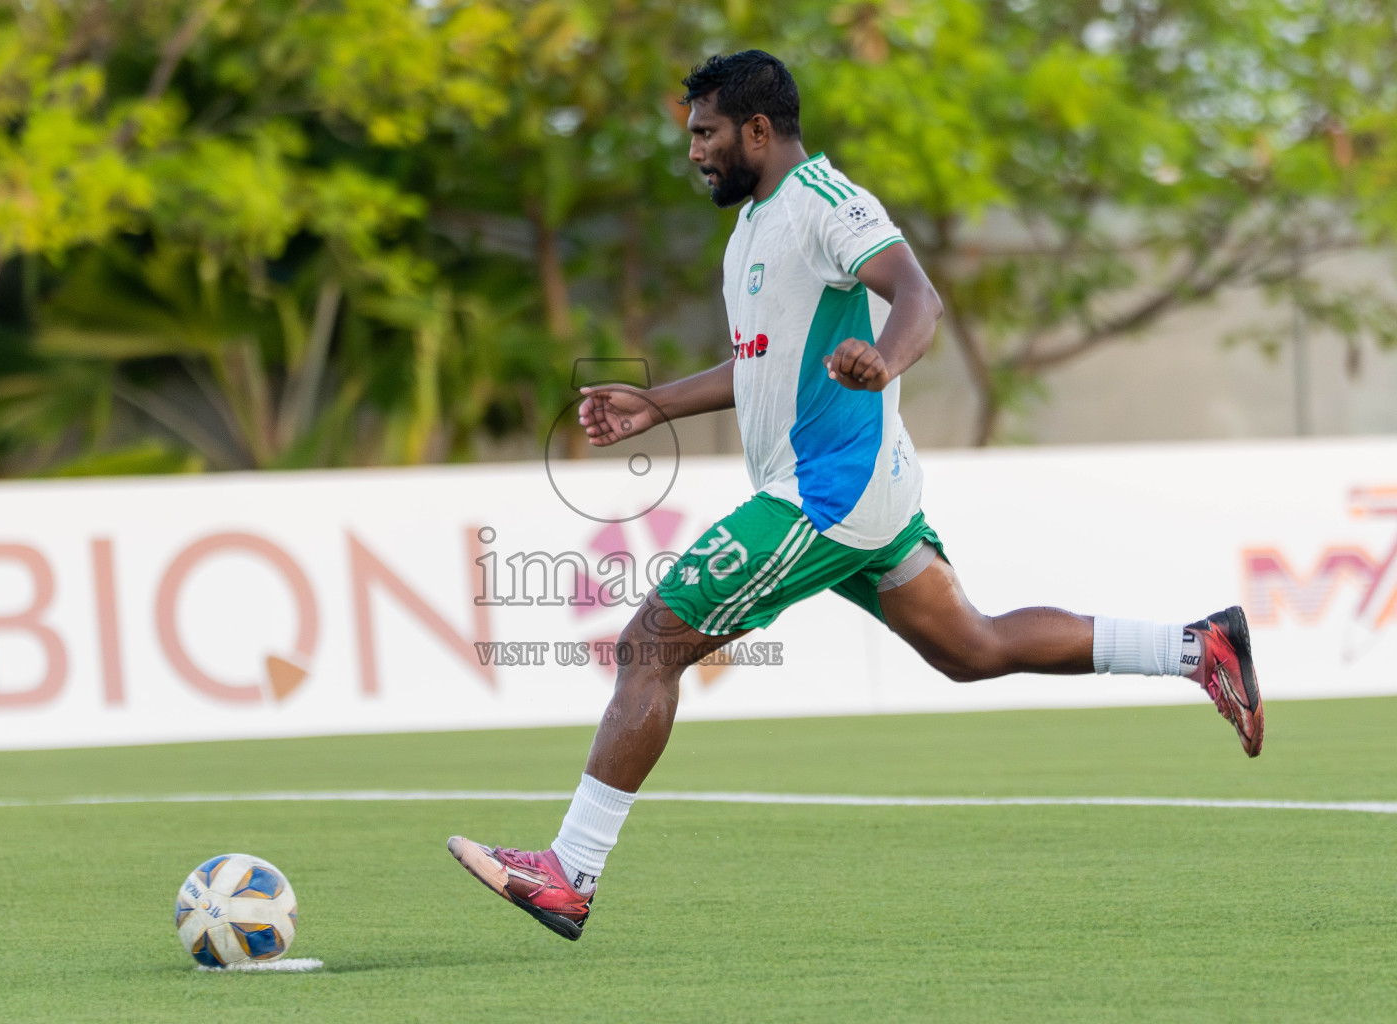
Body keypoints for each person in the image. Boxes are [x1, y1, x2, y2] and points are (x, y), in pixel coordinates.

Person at [447, 50, 1263, 941]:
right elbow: (760, 363)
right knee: (972, 646)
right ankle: (1197, 646)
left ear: (759, 130)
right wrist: (656, 404)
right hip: (857, 489)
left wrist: (888, 359)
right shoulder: (751, 230)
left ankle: (571, 871)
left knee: (651, 643)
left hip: (829, 491)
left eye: (706, 134)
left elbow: (919, 295)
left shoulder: (828, 203)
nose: (694, 153)